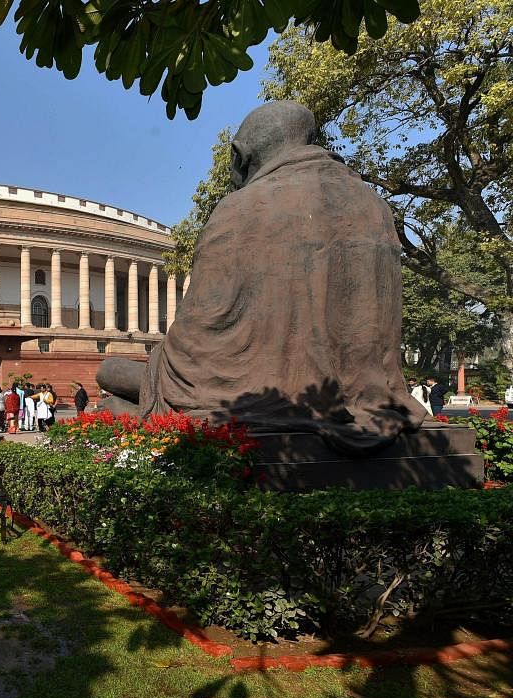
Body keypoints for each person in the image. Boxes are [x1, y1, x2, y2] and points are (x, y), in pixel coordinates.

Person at [96, 101, 423, 453]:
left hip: (244, 388)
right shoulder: (373, 205)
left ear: (239, 156)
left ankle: (130, 411)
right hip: (366, 391)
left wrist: (160, 365)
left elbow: (198, 333)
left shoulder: (240, 207)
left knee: (110, 371)